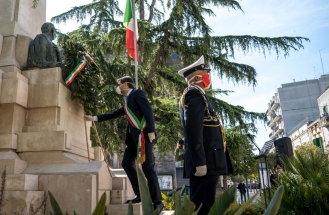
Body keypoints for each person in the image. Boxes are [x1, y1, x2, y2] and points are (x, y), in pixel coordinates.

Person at [85, 76, 164, 212]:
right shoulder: (127, 101)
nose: (118, 86)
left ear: (126, 84)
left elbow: (148, 110)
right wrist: (95, 118)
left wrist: (151, 130)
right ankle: (140, 194)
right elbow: (115, 113)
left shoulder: (137, 94)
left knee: (147, 168)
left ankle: (157, 202)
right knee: (127, 163)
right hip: (134, 139)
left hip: (144, 136)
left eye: (119, 83)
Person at [178, 55, 233, 215]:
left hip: (210, 159)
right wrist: (200, 162)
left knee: (204, 204)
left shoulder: (199, 95)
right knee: (203, 206)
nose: (209, 77)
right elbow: (193, 131)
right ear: (196, 78)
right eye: (206, 73)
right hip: (206, 161)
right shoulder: (194, 95)